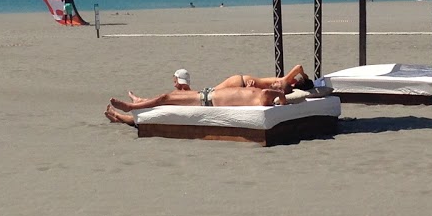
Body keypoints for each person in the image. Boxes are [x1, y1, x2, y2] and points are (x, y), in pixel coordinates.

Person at [104, 65, 316, 126]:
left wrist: (283, 98)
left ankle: (132, 108)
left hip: (207, 100)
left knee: (164, 98)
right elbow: (276, 93)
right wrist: (282, 98)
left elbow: (275, 93)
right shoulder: (263, 93)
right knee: (165, 99)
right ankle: (136, 105)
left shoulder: (264, 96)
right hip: (208, 95)